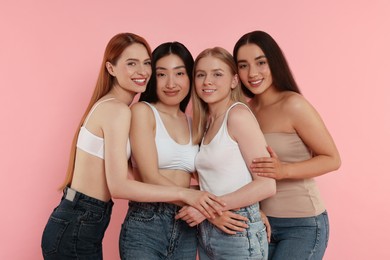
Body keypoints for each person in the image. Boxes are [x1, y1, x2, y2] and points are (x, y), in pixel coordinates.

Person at [41, 33, 224, 260]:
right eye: (131, 63)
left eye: (146, 63)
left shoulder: (119, 109)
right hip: (80, 221)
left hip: (83, 218)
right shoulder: (118, 110)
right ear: (111, 68)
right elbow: (119, 186)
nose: (142, 71)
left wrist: (224, 201)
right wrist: (188, 195)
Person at [233, 30, 341, 260]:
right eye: (243, 65)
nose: (252, 73)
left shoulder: (294, 104)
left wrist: (284, 171)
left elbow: (332, 158)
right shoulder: (244, 112)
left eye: (261, 62)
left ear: (274, 61)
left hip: (302, 224)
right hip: (260, 224)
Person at [176, 47, 276, 259]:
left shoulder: (238, 116)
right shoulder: (206, 123)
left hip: (237, 229)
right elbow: (219, 180)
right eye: (201, 75)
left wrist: (205, 209)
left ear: (234, 81)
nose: (207, 81)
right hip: (209, 229)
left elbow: (267, 184)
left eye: (217, 74)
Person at [119, 41, 200, 259]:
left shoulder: (195, 123)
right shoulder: (143, 112)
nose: (171, 83)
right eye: (162, 74)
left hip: (187, 224)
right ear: (153, 78)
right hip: (147, 222)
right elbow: (149, 176)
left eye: (180, 73)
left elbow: (211, 176)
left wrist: (246, 208)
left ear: (190, 77)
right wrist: (203, 203)